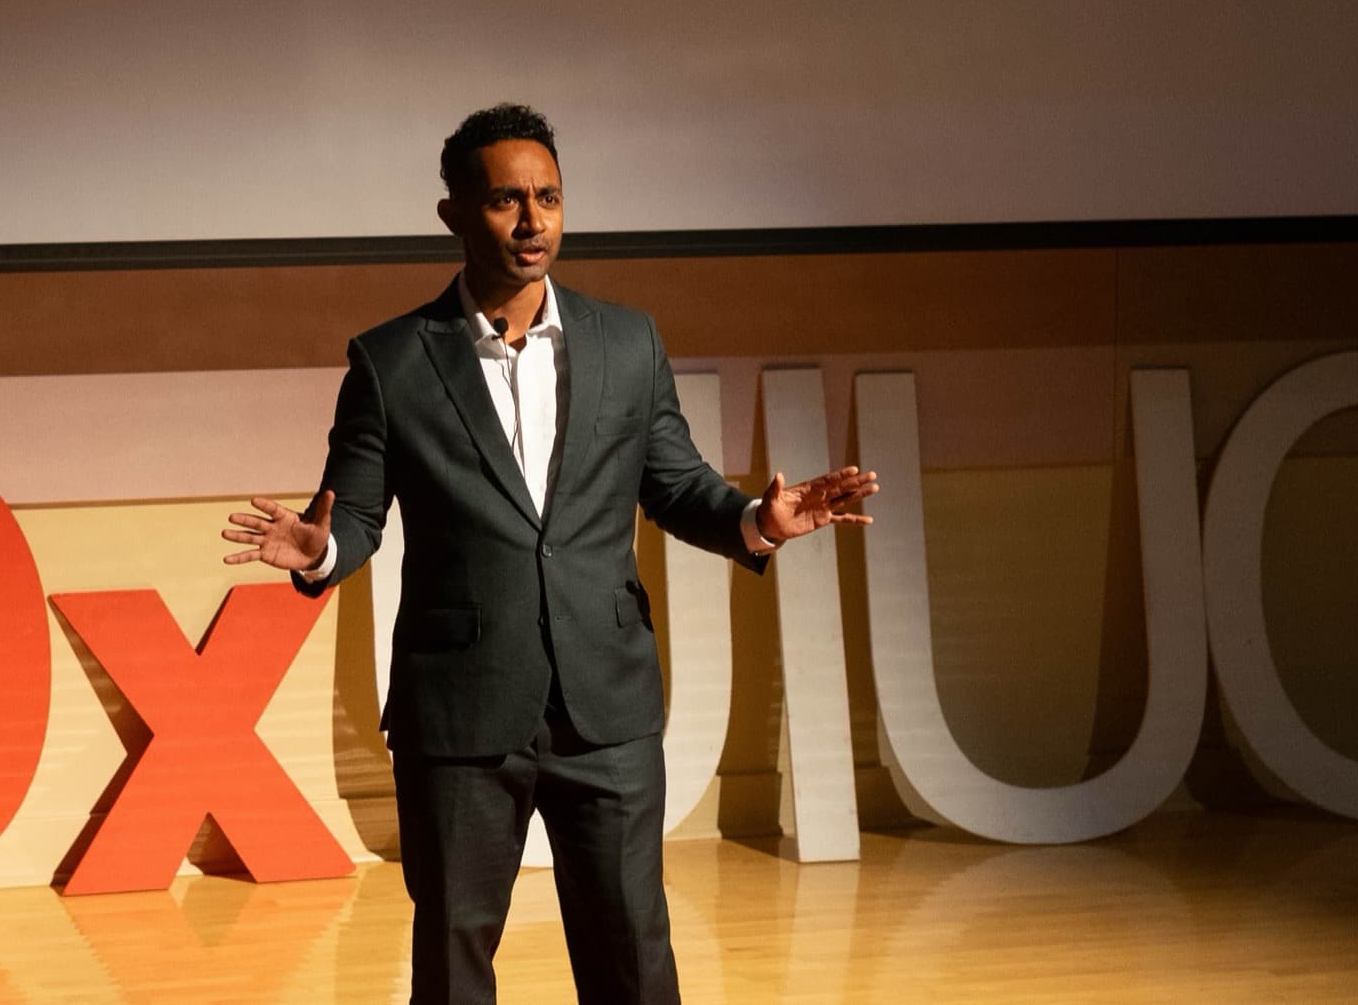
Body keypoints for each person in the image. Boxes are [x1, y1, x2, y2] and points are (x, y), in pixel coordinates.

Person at [221, 104, 877, 1003]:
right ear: (453, 213)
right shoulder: (392, 362)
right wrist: (319, 547)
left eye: (550, 198)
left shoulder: (627, 343)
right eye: (506, 200)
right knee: (454, 966)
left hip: (604, 706)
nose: (533, 221)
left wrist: (757, 519)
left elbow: (678, 485)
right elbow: (358, 515)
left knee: (634, 962)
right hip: (461, 715)